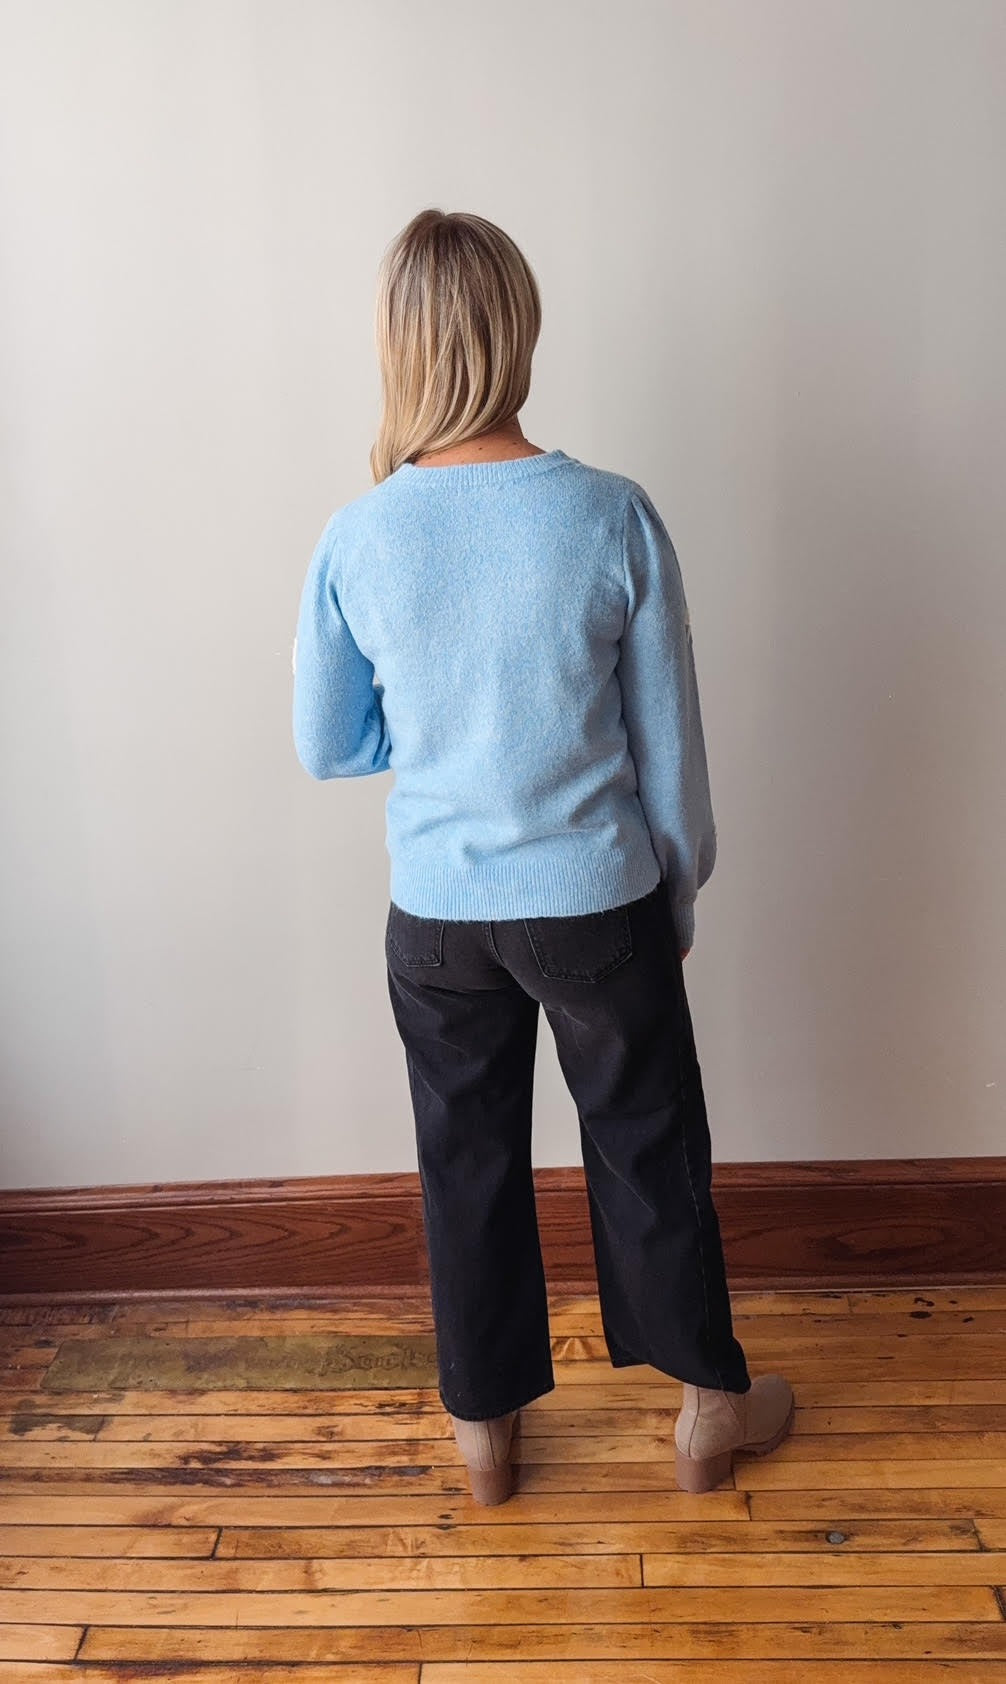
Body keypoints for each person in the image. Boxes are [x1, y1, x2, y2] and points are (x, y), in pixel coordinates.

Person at [292, 207, 794, 1504]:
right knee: (646, 1145)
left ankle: (486, 1434)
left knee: (463, 1161)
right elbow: (668, 749)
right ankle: (705, 1409)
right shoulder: (607, 514)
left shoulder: (358, 536)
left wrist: (444, 716)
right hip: (593, 901)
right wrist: (671, 888)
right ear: (517, 332)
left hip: (437, 915)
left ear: (398, 350)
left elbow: (327, 743)